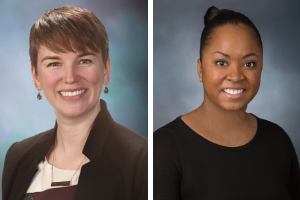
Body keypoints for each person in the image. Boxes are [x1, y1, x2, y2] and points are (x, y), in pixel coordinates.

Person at [2, 5, 147, 200]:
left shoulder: (141, 161)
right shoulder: (18, 157)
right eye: (54, 63)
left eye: (84, 61)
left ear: (106, 70)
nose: (70, 77)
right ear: (36, 76)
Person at [154, 6, 300, 199]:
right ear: (200, 69)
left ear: (261, 68)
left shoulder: (278, 141)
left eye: (249, 64)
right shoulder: (164, 148)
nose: (236, 76)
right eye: (221, 62)